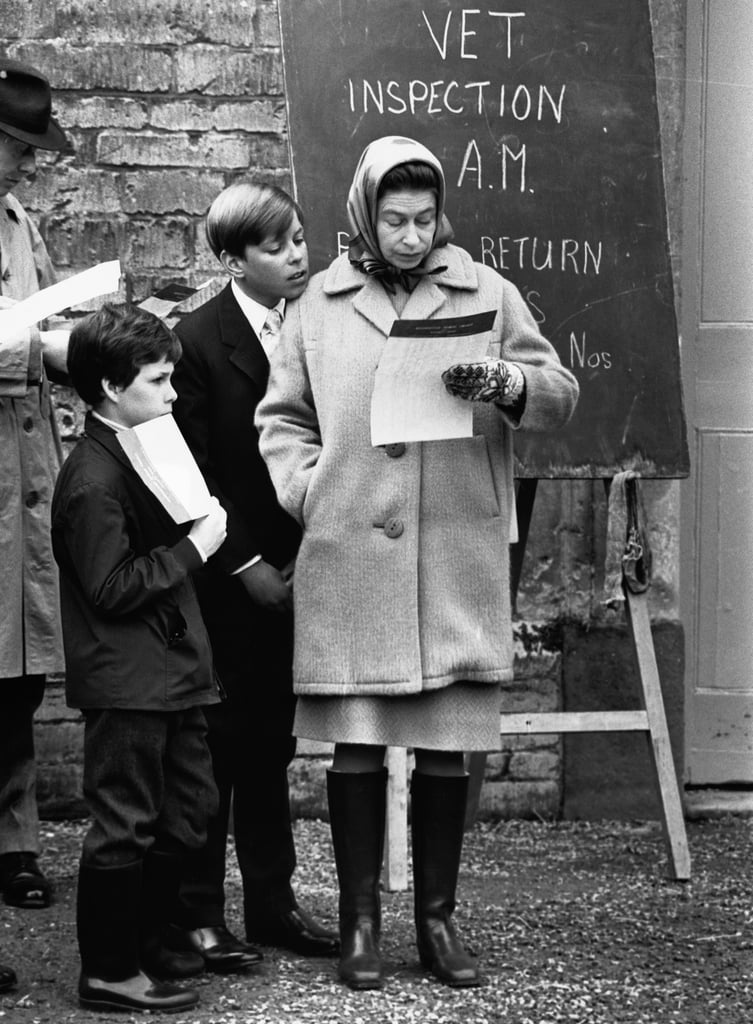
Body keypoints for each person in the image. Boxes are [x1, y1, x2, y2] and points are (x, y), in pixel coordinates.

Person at [256, 136, 580, 991]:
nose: (409, 237)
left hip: (452, 548)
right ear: (366, 214)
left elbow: (559, 392)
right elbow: (280, 418)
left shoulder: (486, 291)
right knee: (354, 746)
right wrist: (308, 490)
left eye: (424, 219)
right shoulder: (315, 306)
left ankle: (436, 921)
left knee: (446, 744)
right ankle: (361, 925)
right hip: (351, 548)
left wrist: (507, 385)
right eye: (394, 220)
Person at [169, 182, 338, 968]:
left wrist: (310, 550)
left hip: (306, 565)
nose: (297, 255)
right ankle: (200, 915)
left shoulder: (328, 323)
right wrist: (244, 564)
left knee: (270, 749)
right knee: (214, 751)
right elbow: (192, 471)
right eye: (276, 247)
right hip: (227, 578)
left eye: (301, 238)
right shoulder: (198, 340)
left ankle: (273, 905)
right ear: (234, 260)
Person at [51, 304, 228, 1014]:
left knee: (189, 808)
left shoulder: (139, 442)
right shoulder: (91, 478)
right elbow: (110, 586)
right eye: (159, 381)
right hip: (128, 679)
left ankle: (152, 938)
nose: (173, 393)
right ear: (112, 387)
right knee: (125, 820)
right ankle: (109, 969)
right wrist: (196, 548)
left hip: (170, 668)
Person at [0, 58, 70, 916]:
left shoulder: (18, 220)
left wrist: (73, 333)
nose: (28, 164)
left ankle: (14, 839)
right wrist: (40, 352)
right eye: (18, 146)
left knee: (16, 678)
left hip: (22, 480)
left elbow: (42, 315)